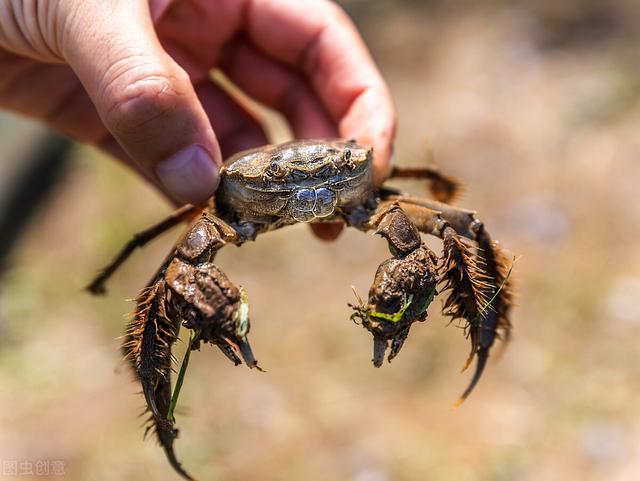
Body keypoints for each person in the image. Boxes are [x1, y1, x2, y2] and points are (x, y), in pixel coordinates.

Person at [0, 0, 396, 239]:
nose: (305, 193)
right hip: (239, 203)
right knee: (174, 278)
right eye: (280, 180)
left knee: (444, 228)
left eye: (337, 168)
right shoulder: (220, 209)